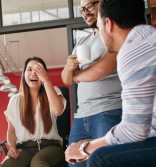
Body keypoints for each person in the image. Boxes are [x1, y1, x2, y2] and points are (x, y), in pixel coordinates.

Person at [65, 0, 156, 166]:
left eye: (99, 26)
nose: (99, 33)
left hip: (107, 109)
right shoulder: (147, 37)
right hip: (85, 112)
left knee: (99, 158)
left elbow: (134, 131)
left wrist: (86, 147)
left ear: (108, 24)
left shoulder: (132, 50)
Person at [61, 0, 122, 166]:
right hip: (82, 115)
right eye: (82, 9)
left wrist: (76, 75)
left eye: (89, 6)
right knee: (74, 163)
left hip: (108, 109)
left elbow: (103, 68)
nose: (85, 12)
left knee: (104, 162)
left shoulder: (112, 33)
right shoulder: (81, 42)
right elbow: (66, 79)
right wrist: (69, 67)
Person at [1, 57, 66, 167]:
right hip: (25, 148)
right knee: (7, 164)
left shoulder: (53, 91)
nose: (33, 73)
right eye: (29, 69)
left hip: (51, 147)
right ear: (24, 74)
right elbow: (11, 131)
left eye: (38, 70)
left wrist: (46, 80)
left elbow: (58, 110)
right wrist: (12, 147)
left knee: (38, 163)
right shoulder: (15, 100)